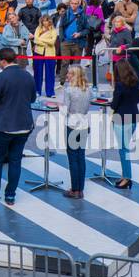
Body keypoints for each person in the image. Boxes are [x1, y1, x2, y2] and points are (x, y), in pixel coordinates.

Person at [0, 47, 36, 207]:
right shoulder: (28, 76)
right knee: (15, 161)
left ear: (3, 61)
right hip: (24, 124)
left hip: (3, 126)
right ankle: (10, 195)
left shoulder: (0, 78)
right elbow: (32, 99)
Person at [59, 65, 91, 198]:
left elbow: (65, 111)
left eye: (69, 74)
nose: (67, 76)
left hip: (72, 124)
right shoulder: (87, 89)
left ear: (74, 76)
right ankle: (81, 189)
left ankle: (75, 189)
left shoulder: (69, 90)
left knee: (72, 158)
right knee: (81, 157)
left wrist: (59, 106)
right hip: (84, 123)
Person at [110, 59, 139, 189]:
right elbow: (138, 99)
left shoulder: (120, 85)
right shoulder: (136, 82)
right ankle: (124, 176)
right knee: (125, 148)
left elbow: (114, 104)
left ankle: (127, 178)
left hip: (121, 118)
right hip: (133, 116)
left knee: (123, 150)